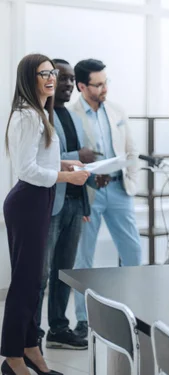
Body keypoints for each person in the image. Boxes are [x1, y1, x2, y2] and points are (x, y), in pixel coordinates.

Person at [2, 53, 90, 375]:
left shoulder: (40, 112)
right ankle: (12, 359)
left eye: (52, 72)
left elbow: (39, 161)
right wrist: (67, 176)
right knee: (26, 284)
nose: (51, 78)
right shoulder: (27, 115)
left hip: (39, 200)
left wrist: (64, 165)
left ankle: (30, 349)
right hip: (29, 201)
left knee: (33, 280)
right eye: (44, 74)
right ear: (29, 78)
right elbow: (26, 170)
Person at [34, 59, 108, 351]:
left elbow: (80, 164)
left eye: (68, 80)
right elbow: (47, 158)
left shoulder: (73, 117)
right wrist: (81, 154)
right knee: (41, 274)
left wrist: (91, 187)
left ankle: (59, 329)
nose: (64, 84)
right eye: (59, 78)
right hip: (52, 204)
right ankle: (32, 334)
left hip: (76, 203)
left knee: (64, 271)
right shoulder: (41, 115)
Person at [69, 58, 141, 339]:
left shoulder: (117, 110)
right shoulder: (72, 114)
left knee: (133, 251)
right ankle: (84, 320)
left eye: (105, 82)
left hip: (120, 190)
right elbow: (70, 155)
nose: (104, 89)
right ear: (81, 86)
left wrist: (130, 176)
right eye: (98, 85)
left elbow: (131, 148)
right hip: (89, 193)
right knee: (83, 257)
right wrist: (88, 176)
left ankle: (135, 311)